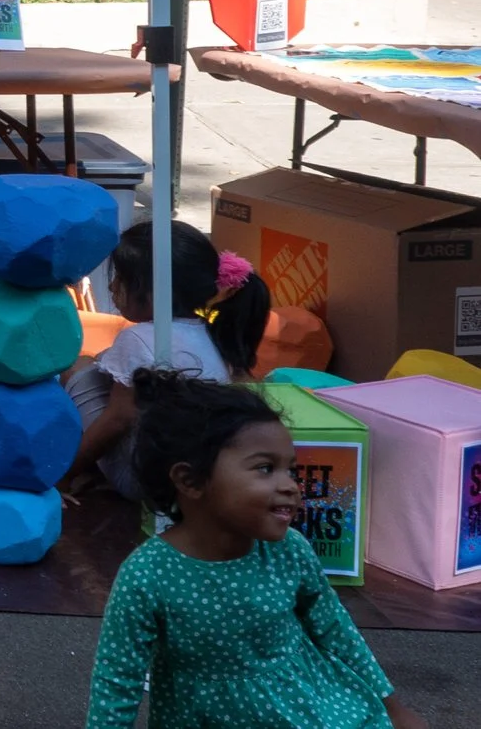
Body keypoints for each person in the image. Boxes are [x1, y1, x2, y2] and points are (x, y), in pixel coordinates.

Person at [85, 372, 427, 729]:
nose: (291, 486)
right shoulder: (147, 576)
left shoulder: (288, 550)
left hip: (308, 712)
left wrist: (392, 708)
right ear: (190, 481)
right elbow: (117, 681)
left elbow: (335, 628)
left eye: (290, 470)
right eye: (265, 468)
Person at [66, 221, 271, 503]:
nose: (112, 287)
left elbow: (118, 420)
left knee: (79, 369)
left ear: (155, 291)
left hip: (146, 484)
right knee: (100, 366)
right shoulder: (212, 332)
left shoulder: (138, 338)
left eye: (121, 279)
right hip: (198, 478)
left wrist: (62, 477)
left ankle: (80, 467)